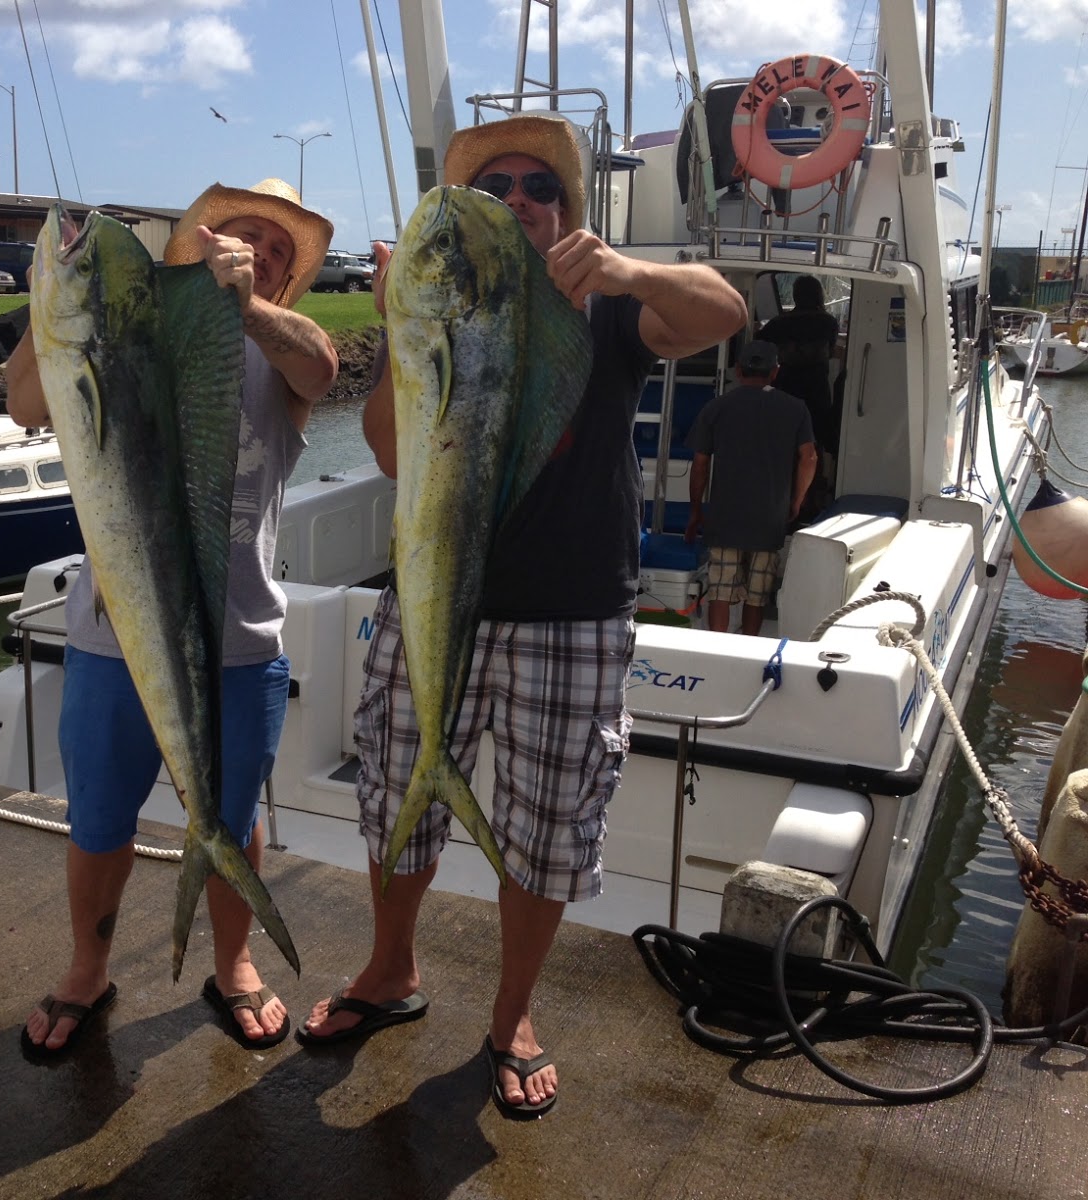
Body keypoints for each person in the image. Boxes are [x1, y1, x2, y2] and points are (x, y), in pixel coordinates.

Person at [297, 114, 747, 1119]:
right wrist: (400, 325)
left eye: (537, 186)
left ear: (564, 209)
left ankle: (511, 1017)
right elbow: (385, 453)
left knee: (547, 832)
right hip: (432, 602)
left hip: (574, 616)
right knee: (396, 803)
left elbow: (721, 313)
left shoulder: (607, 308)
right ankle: (387, 972)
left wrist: (626, 272)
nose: (516, 199)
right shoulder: (444, 309)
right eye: (493, 186)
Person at [4, 180, 339, 1054]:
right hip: (110, 636)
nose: (260, 249)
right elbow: (27, 405)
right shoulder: (133, 332)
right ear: (200, 235)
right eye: (245, 234)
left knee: (230, 816)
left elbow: (322, 366)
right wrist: (59, 300)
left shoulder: (279, 349)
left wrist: (249, 302)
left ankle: (234, 966)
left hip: (240, 642)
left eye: (278, 248)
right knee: (100, 817)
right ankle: (88, 968)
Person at [683, 340, 818, 635]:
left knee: (720, 590)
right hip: (770, 518)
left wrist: (696, 510)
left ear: (738, 370)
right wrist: (795, 501)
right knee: (757, 594)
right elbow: (809, 457)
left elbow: (701, 464)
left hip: (724, 518)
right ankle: (749, 647)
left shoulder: (716, 407)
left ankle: (718, 649)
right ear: (775, 372)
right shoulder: (796, 409)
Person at [756, 274, 839, 458]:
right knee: (815, 437)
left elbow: (759, 344)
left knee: (786, 436)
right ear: (819, 295)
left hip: (787, 385)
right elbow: (831, 352)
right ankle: (813, 481)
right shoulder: (829, 322)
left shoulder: (779, 323)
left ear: (795, 296)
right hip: (817, 388)